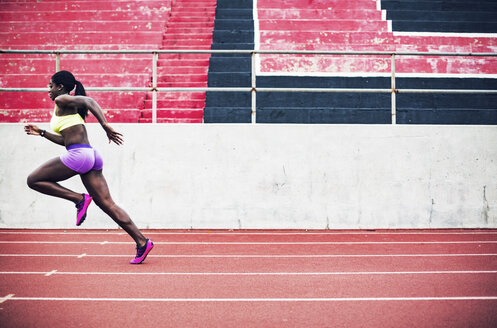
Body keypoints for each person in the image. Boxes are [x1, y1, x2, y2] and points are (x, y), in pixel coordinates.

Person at [24, 70, 153, 264]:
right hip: (90, 155)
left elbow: (90, 102)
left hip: (79, 156)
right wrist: (42, 133)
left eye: (50, 86)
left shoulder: (62, 99)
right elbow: (65, 140)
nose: (48, 90)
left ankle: (79, 199)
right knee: (108, 204)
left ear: (60, 87)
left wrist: (105, 125)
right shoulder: (67, 106)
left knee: (33, 180)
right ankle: (142, 241)